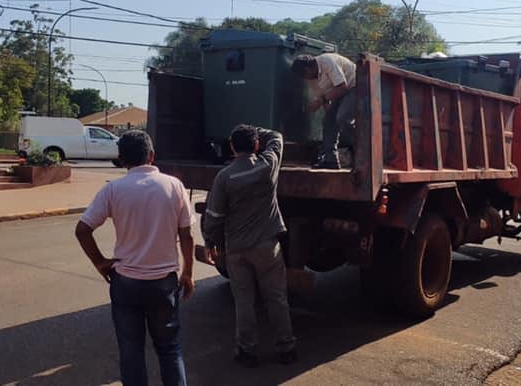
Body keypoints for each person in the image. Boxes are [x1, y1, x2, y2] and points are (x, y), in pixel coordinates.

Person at [74, 130, 195, 386]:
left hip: (125, 282)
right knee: (169, 349)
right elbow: (187, 236)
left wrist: (100, 262)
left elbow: (82, 230)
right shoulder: (174, 186)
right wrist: (188, 273)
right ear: (151, 156)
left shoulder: (113, 190)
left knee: (131, 352)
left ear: (121, 159)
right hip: (164, 283)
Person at [202, 124, 297, 368]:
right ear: (256, 146)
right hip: (267, 246)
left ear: (232, 148)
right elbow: (277, 137)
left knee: (244, 301)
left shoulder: (225, 176)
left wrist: (211, 242)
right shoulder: (268, 166)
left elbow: (214, 215)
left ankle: (247, 352)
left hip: (236, 250)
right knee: (276, 298)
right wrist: (257, 130)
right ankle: (286, 348)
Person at [291, 53, 357, 169]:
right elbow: (326, 101)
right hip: (338, 92)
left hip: (355, 86)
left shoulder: (327, 61)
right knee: (328, 122)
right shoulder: (312, 80)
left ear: (308, 69)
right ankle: (331, 160)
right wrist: (330, 120)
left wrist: (319, 101)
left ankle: (364, 148)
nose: (305, 79)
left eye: (304, 75)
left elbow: (342, 87)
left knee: (343, 117)